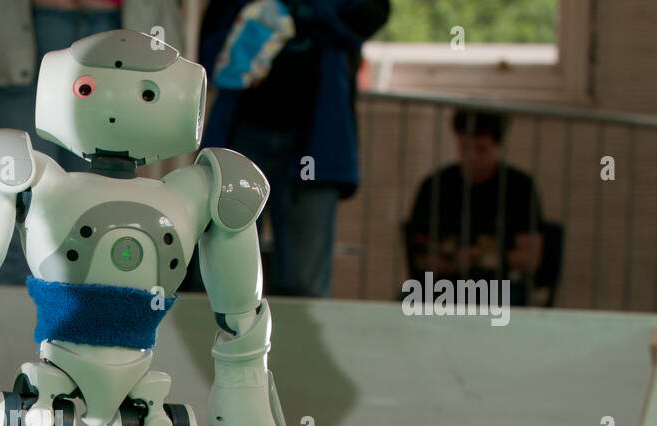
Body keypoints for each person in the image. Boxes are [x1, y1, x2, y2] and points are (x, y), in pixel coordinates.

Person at [0, 0, 185, 283]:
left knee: (106, 220)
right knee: (9, 213)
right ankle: (8, 325)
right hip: (14, 36)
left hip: (124, 27)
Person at [199, 0, 390, 298]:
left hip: (316, 142)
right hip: (242, 134)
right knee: (222, 275)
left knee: (304, 285)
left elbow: (368, 19)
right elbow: (210, 52)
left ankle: (299, 345)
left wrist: (314, 10)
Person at [406, 109, 544, 304]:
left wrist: (475, 258)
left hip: (499, 286)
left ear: (497, 146)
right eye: (464, 148)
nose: (471, 157)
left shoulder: (519, 188)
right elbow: (419, 253)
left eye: (481, 149)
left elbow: (530, 258)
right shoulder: (435, 185)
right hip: (444, 284)